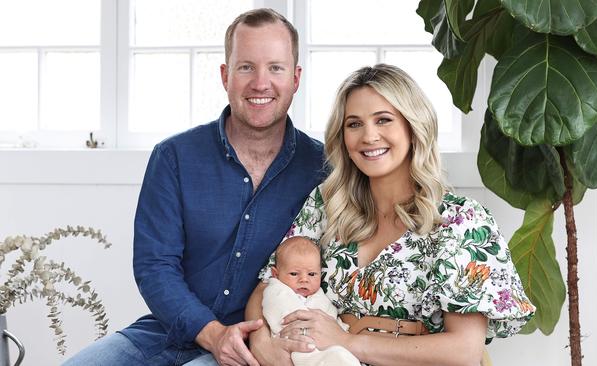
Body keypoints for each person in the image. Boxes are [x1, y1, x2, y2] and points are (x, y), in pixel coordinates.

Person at [63, 8, 324, 366]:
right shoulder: (174, 157)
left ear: (295, 78)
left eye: (275, 68)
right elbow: (155, 266)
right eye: (246, 66)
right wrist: (213, 333)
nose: (261, 83)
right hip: (167, 330)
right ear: (225, 75)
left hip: (259, 344)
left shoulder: (322, 169)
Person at [246, 64, 536, 366]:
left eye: (383, 120)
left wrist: (348, 342)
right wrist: (262, 343)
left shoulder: (461, 221)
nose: (369, 136)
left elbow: (463, 350)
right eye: (354, 124)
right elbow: (270, 282)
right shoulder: (327, 204)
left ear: (413, 127)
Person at [263, 236, 360, 366]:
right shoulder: (276, 291)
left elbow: (330, 318)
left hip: (325, 344)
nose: (304, 280)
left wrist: (341, 329)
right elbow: (280, 315)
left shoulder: (319, 296)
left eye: (312, 274)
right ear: (276, 274)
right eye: (294, 274)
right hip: (292, 344)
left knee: (340, 355)